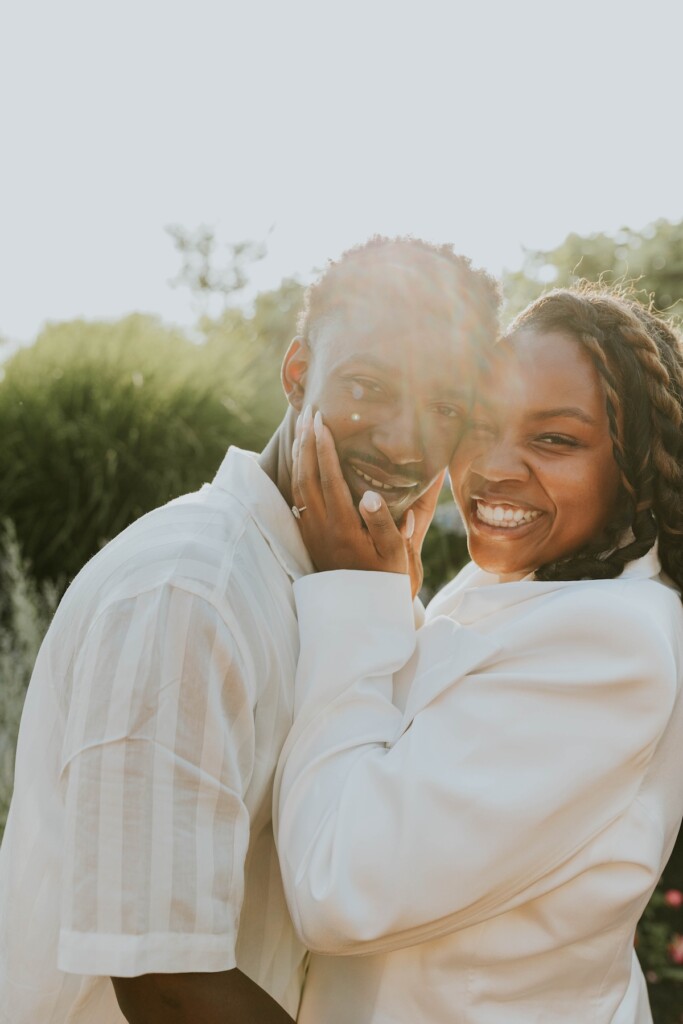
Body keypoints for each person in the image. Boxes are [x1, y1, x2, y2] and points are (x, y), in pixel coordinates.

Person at [0, 236, 499, 1024]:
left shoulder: (342, 583)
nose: (406, 442)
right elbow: (165, 981)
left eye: (445, 407)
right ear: (297, 374)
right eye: (369, 385)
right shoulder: (189, 593)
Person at [274, 286, 683, 1023]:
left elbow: (337, 890)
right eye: (480, 425)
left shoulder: (609, 642)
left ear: (634, 463)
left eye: (553, 439)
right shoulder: (535, 575)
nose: (493, 467)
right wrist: (398, 605)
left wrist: (352, 603)